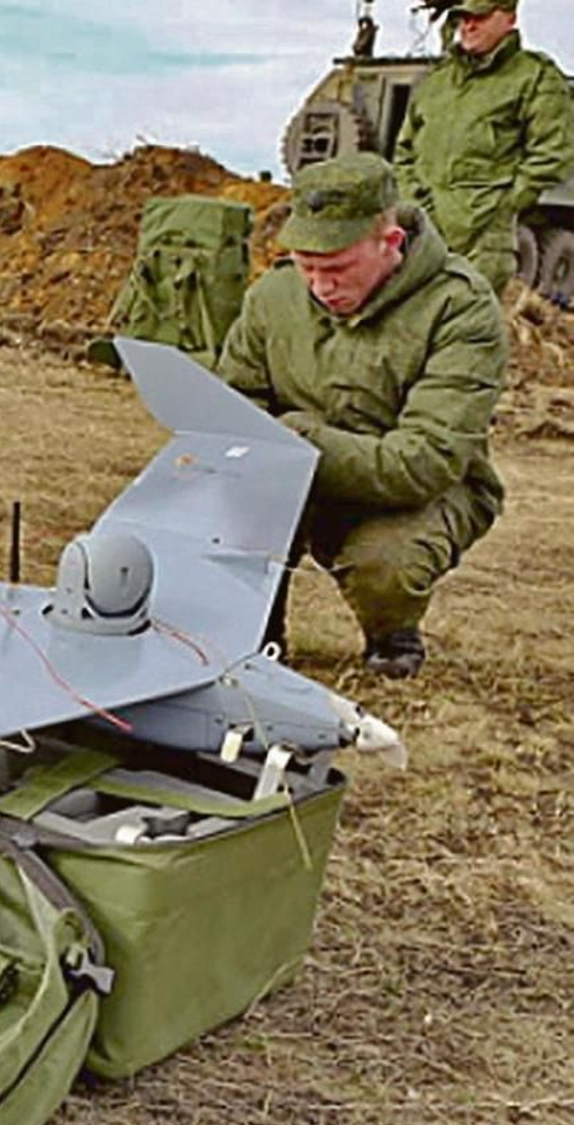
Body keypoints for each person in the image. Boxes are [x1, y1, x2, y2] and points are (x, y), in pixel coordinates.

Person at [219, 152, 507, 679]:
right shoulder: (273, 296)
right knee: (216, 515)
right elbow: (236, 402)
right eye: (306, 267)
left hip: (420, 490)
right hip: (295, 476)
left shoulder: (460, 308)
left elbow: (426, 461)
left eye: (336, 269)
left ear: (389, 243)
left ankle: (391, 632)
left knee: (386, 565)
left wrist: (296, 440)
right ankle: (255, 631)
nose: (319, 286)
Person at [393, 0, 574, 294]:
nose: (469, 25)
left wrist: (501, 208)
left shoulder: (534, 77)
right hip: (422, 233)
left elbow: (552, 153)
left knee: (467, 316)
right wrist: (416, 204)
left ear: (509, 18)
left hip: (481, 240)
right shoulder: (437, 82)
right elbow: (404, 151)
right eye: (463, 17)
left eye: (480, 16)